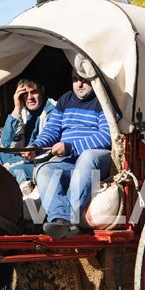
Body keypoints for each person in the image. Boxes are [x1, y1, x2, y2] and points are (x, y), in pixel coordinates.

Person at [21, 69, 113, 239]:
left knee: (87, 156)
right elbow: (52, 130)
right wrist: (35, 146)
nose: (79, 84)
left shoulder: (104, 100)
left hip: (98, 159)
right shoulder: (66, 100)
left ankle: (69, 218)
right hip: (70, 161)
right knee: (43, 169)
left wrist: (71, 147)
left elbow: (107, 135)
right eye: (75, 79)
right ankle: (60, 219)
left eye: (84, 80)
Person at [0, 76, 57, 193]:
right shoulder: (23, 111)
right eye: (25, 94)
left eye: (34, 92)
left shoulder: (53, 110)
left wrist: (13, 162)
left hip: (43, 160)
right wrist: (17, 109)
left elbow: (48, 149)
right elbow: (7, 144)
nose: (30, 97)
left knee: (13, 172)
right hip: (24, 156)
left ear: (42, 90)